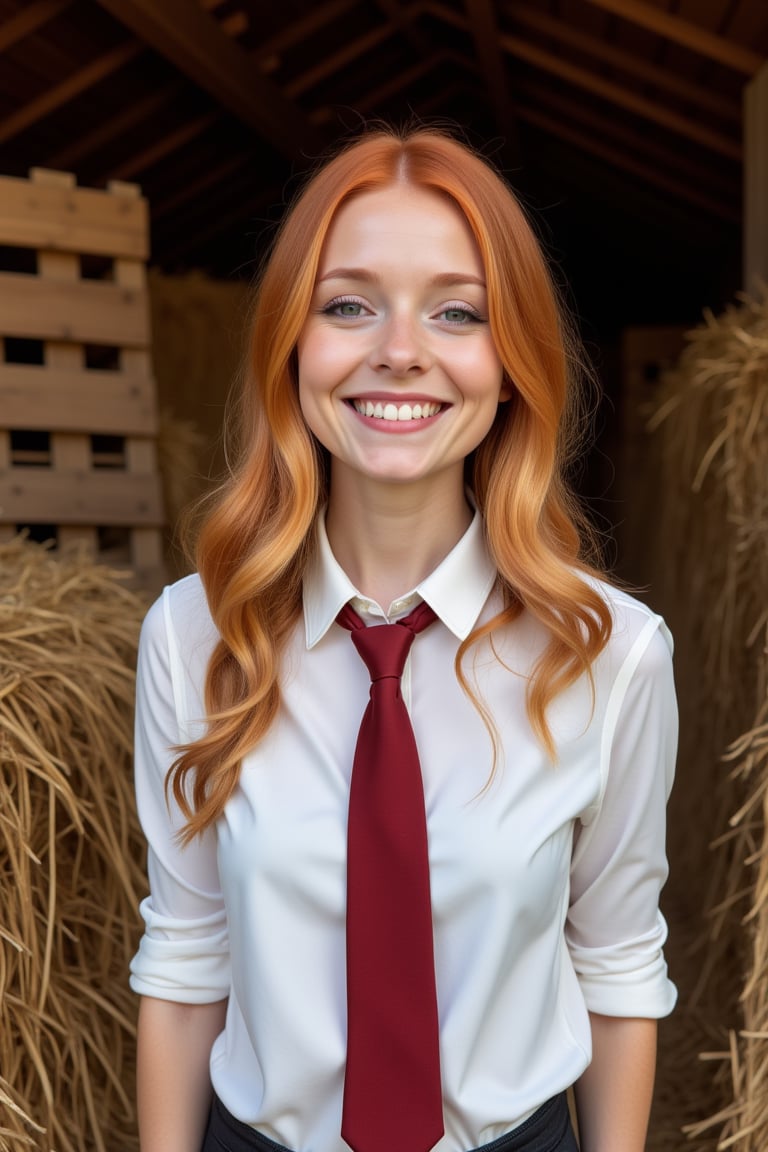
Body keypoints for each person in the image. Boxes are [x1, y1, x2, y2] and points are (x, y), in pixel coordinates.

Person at [129, 125, 677, 1152]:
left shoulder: (615, 656)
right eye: (348, 305)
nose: (399, 349)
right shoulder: (192, 635)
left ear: (512, 364)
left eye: (457, 312)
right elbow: (186, 956)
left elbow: (617, 966)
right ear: (292, 346)